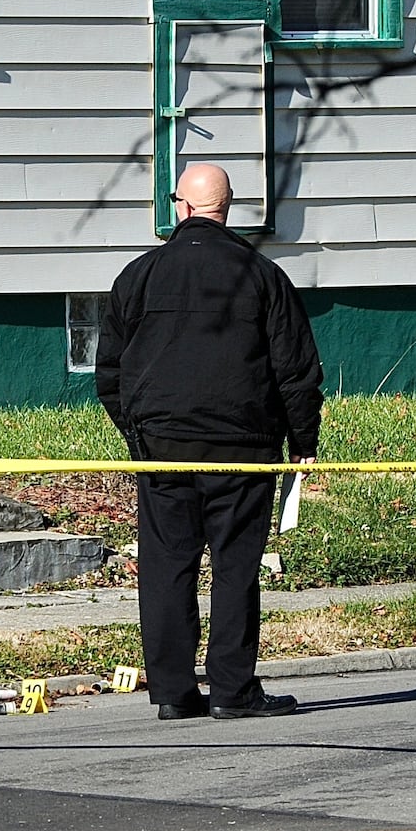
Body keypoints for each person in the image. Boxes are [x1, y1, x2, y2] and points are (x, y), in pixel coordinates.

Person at [95, 163, 323, 720]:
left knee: (167, 565)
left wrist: (138, 432)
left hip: (162, 449)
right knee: (235, 566)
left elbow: (111, 373)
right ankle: (233, 689)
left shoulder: (139, 276)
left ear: (182, 206)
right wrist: (303, 440)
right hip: (243, 446)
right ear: (227, 207)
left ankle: (173, 691)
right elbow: (295, 369)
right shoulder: (263, 275)